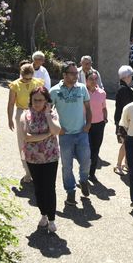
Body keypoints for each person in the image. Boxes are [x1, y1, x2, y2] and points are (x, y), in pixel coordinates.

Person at [49, 61, 93, 207]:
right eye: (72, 73)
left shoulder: (82, 88)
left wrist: (88, 124)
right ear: (64, 74)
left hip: (81, 133)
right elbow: (48, 112)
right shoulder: (54, 91)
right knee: (67, 166)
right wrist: (57, 128)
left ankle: (84, 180)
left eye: (76, 73)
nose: (76, 75)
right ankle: (70, 191)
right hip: (65, 135)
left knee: (86, 161)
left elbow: (88, 107)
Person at [20, 86, 62, 233]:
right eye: (34, 100)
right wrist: (46, 135)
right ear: (30, 100)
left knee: (49, 188)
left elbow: (56, 130)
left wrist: (48, 115)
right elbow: (26, 137)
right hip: (33, 158)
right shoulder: (26, 115)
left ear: (46, 101)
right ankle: (43, 214)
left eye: (40, 100)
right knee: (38, 188)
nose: (37, 103)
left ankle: (51, 219)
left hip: (50, 157)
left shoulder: (52, 112)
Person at [7, 63, 46, 182]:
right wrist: (9, 119)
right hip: (21, 113)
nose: (27, 81)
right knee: (22, 143)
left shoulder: (38, 83)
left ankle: (39, 170)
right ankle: (27, 172)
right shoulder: (15, 85)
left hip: (36, 112)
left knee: (38, 141)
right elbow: (10, 103)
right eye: (25, 78)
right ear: (21, 75)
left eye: (30, 78)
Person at [86, 71, 108, 184]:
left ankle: (92, 173)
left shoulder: (102, 93)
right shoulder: (82, 92)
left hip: (99, 125)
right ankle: (83, 173)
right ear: (86, 80)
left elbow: (104, 107)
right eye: (91, 79)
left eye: (95, 79)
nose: (94, 81)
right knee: (86, 150)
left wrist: (105, 118)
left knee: (95, 150)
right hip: (86, 125)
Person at [114, 65, 133, 175]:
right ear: (126, 77)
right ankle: (118, 165)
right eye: (131, 75)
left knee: (128, 144)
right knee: (125, 144)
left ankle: (126, 164)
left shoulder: (123, 88)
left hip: (123, 120)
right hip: (124, 121)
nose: (131, 77)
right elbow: (126, 107)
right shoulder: (124, 89)